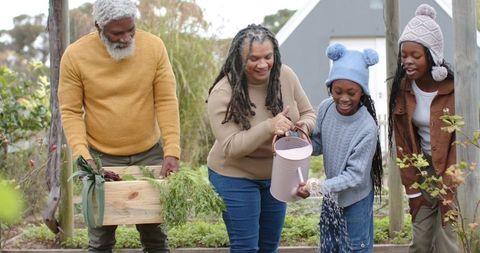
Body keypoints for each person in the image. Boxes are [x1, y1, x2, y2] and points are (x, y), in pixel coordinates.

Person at [58, 0, 180, 252]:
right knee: (100, 240)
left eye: (131, 30)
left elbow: (167, 100)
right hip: (101, 158)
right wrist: (83, 156)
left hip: (149, 153)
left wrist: (172, 151)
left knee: (155, 236)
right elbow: (70, 112)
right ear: (98, 26)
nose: (126, 38)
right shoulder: (75, 55)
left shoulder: (154, 47)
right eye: (117, 33)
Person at [206, 24, 316, 253]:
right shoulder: (223, 92)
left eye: (268, 56)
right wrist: (269, 126)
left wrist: (301, 127)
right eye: (254, 58)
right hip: (234, 174)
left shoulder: (286, 76)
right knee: (246, 247)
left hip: (277, 174)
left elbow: (309, 113)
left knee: (269, 247)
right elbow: (231, 147)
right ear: (239, 59)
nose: (263, 64)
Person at [297, 43, 384, 253]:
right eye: (338, 91)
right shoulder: (327, 107)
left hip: (356, 198)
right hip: (332, 195)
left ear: (362, 92)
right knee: (331, 245)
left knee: (355, 247)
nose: (344, 98)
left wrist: (317, 186)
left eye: (352, 92)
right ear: (330, 89)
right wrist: (299, 139)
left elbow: (354, 176)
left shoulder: (367, 127)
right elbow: (318, 144)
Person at [387, 4, 458, 253]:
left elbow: (461, 142)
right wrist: (413, 191)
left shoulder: (454, 89)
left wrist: (449, 188)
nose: (407, 61)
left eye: (414, 55)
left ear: (432, 55)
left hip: (453, 169)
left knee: (450, 241)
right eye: (403, 55)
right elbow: (403, 144)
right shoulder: (402, 90)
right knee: (420, 241)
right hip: (423, 170)